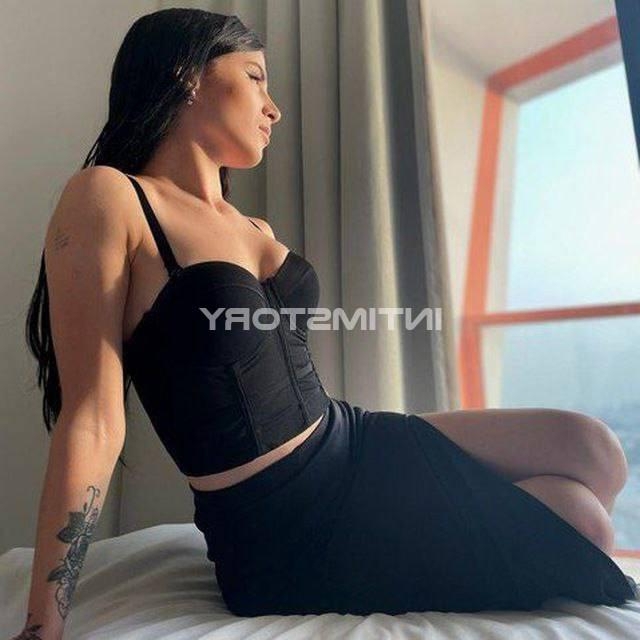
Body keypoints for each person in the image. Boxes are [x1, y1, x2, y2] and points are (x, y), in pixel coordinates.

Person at [16, 7, 637, 639]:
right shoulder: (112, 196)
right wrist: (43, 627)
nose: (274, 108)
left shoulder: (251, 226)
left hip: (351, 439)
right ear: (187, 75)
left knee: (593, 449)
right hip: (289, 524)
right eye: (255, 77)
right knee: (581, 519)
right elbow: (94, 418)